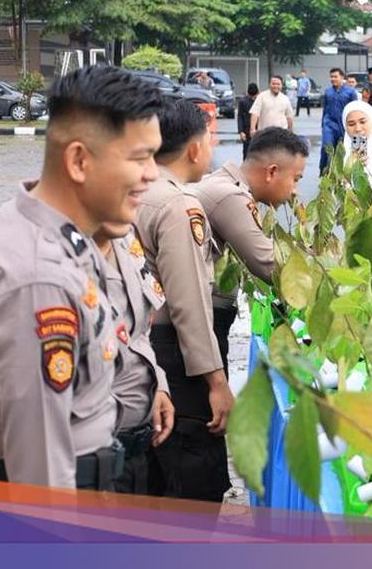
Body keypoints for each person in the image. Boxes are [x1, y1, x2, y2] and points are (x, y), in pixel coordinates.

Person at [0, 65, 163, 490]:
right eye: (140, 158)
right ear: (79, 161)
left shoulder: (43, 228)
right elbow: (40, 477)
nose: (153, 174)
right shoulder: (37, 279)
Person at [135, 98, 232, 502]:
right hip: (174, 354)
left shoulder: (133, 191)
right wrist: (216, 380)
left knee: (152, 471)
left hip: (139, 349)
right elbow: (188, 301)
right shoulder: (178, 204)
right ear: (194, 148)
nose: (213, 149)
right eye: (211, 139)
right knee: (191, 473)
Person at [193, 127, 308, 371]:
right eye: (296, 179)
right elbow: (269, 264)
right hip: (200, 325)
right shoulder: (230, 196)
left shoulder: (223, 183)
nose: (295, 190)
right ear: (272, 172)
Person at [93, 222, 174, 494]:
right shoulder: (50, 253)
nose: (150, 176)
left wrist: (157, 383)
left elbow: (138, 328)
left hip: (136, 446)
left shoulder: (124, 234)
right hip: (89, 461)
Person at [321, 68, 359, 174]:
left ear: (342, 77)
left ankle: (342, 174)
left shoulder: (350, 92)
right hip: (329, 124)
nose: (333, 79)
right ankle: (325, 172)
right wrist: (323, 125)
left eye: (335, 76)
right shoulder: (328, 91)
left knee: (344, 150)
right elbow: (325, 109)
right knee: (327, 148)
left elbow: (355, 109)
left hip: (344, 125)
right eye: (331, 77)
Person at [237, 82, 259, 159]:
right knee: (246, 152)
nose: (253, 98)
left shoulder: (260, 100)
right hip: (247, 130)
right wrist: (241, 131)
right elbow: (240, 116)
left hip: (259, 129)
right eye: (251, 97)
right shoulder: (243, 101)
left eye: (255, 97)